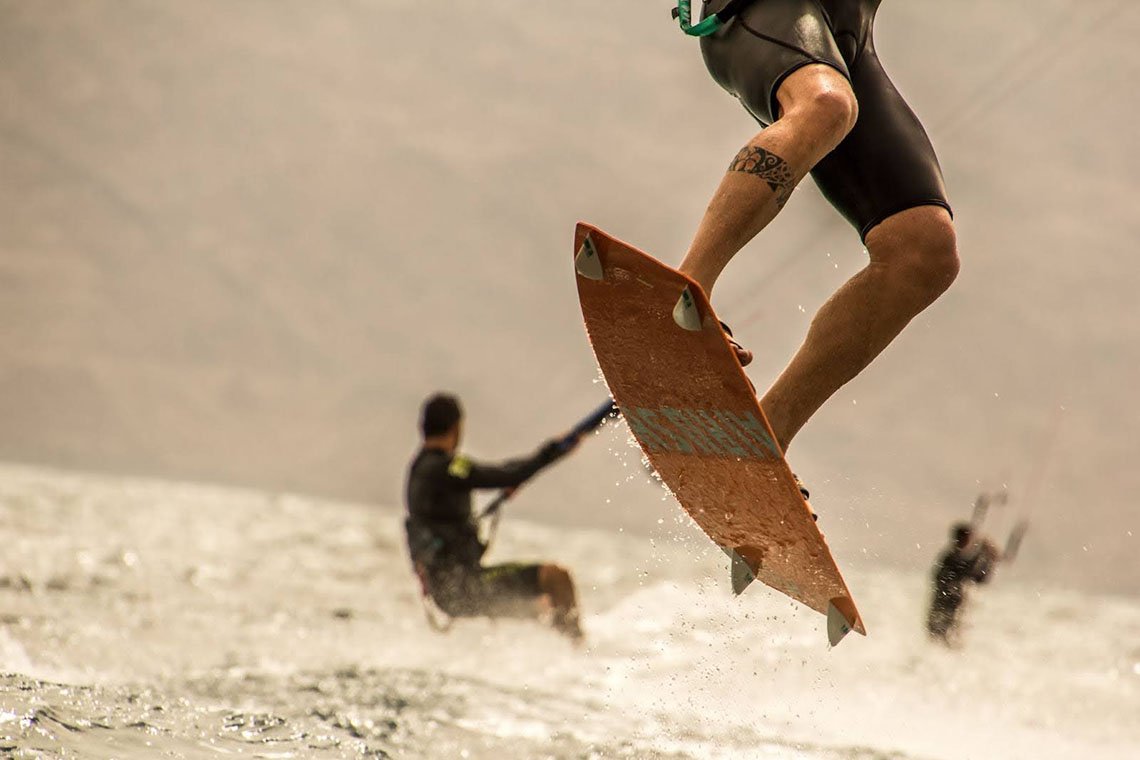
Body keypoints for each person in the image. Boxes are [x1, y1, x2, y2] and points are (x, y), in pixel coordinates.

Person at [679, 1, 960, 454]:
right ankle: (684, 289)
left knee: (924, 248)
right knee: (825, 105)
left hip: (851, 33)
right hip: (761, 8)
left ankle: (761, 440)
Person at [404, 393, 585, 642]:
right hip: (467, 587)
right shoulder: (448, 468)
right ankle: (579, 652)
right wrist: (554, 450)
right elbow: (507, 473)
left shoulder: (418, 470)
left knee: (542, 605)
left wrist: (507, 482)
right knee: (556, 578)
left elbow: (454, 503)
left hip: (447, 593)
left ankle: (551, 660)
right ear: (457, 428)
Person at [925, 521, 999, 646]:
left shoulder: (956, 558)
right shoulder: (951, 558)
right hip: (944, 609)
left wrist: (988, 558)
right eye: (968, 539)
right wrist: (986, 556)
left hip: (952, 610)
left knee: (947, 642)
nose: (969, 543)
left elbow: (978, 578)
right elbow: (972, 575)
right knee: (941, 641)